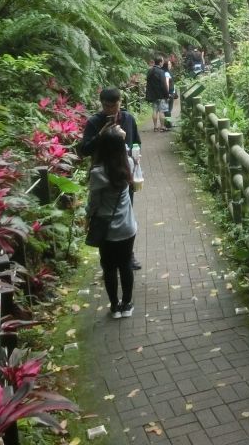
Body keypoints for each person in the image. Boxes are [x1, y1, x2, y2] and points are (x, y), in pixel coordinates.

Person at [79, 88, 142, 270]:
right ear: (101, 104)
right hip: (101, 176)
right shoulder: (94, 122)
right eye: (107, 106)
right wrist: (101, 134)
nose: (111, 110)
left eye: (114, 105)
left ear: (120, 102)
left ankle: (128, 255)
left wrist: (136, 156)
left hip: (124, 173)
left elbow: (135, 141)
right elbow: (84, 150)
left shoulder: (128, 119)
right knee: (103, 215)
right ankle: (107, 258)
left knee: (126, 212)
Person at [85, 130, 137, 319]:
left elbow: (94, 204)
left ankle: (114, 306)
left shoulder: (97, 173)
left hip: (107, 231)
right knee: (125, 265)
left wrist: (87, 216)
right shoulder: (128, 163)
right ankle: (127, 304)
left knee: (109, 267)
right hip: (127, 226)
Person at [145, 56, 170, 132]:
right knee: (161, 111)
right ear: (160, 62)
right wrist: (167, 94)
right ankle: (162, 126)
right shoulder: (161, 71)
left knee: (154, 110)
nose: (163, 63)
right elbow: (164, 84)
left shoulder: (150, 71)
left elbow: (148, 83)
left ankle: (155, 127)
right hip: (160, 94)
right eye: (162, 61)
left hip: (152, 94)